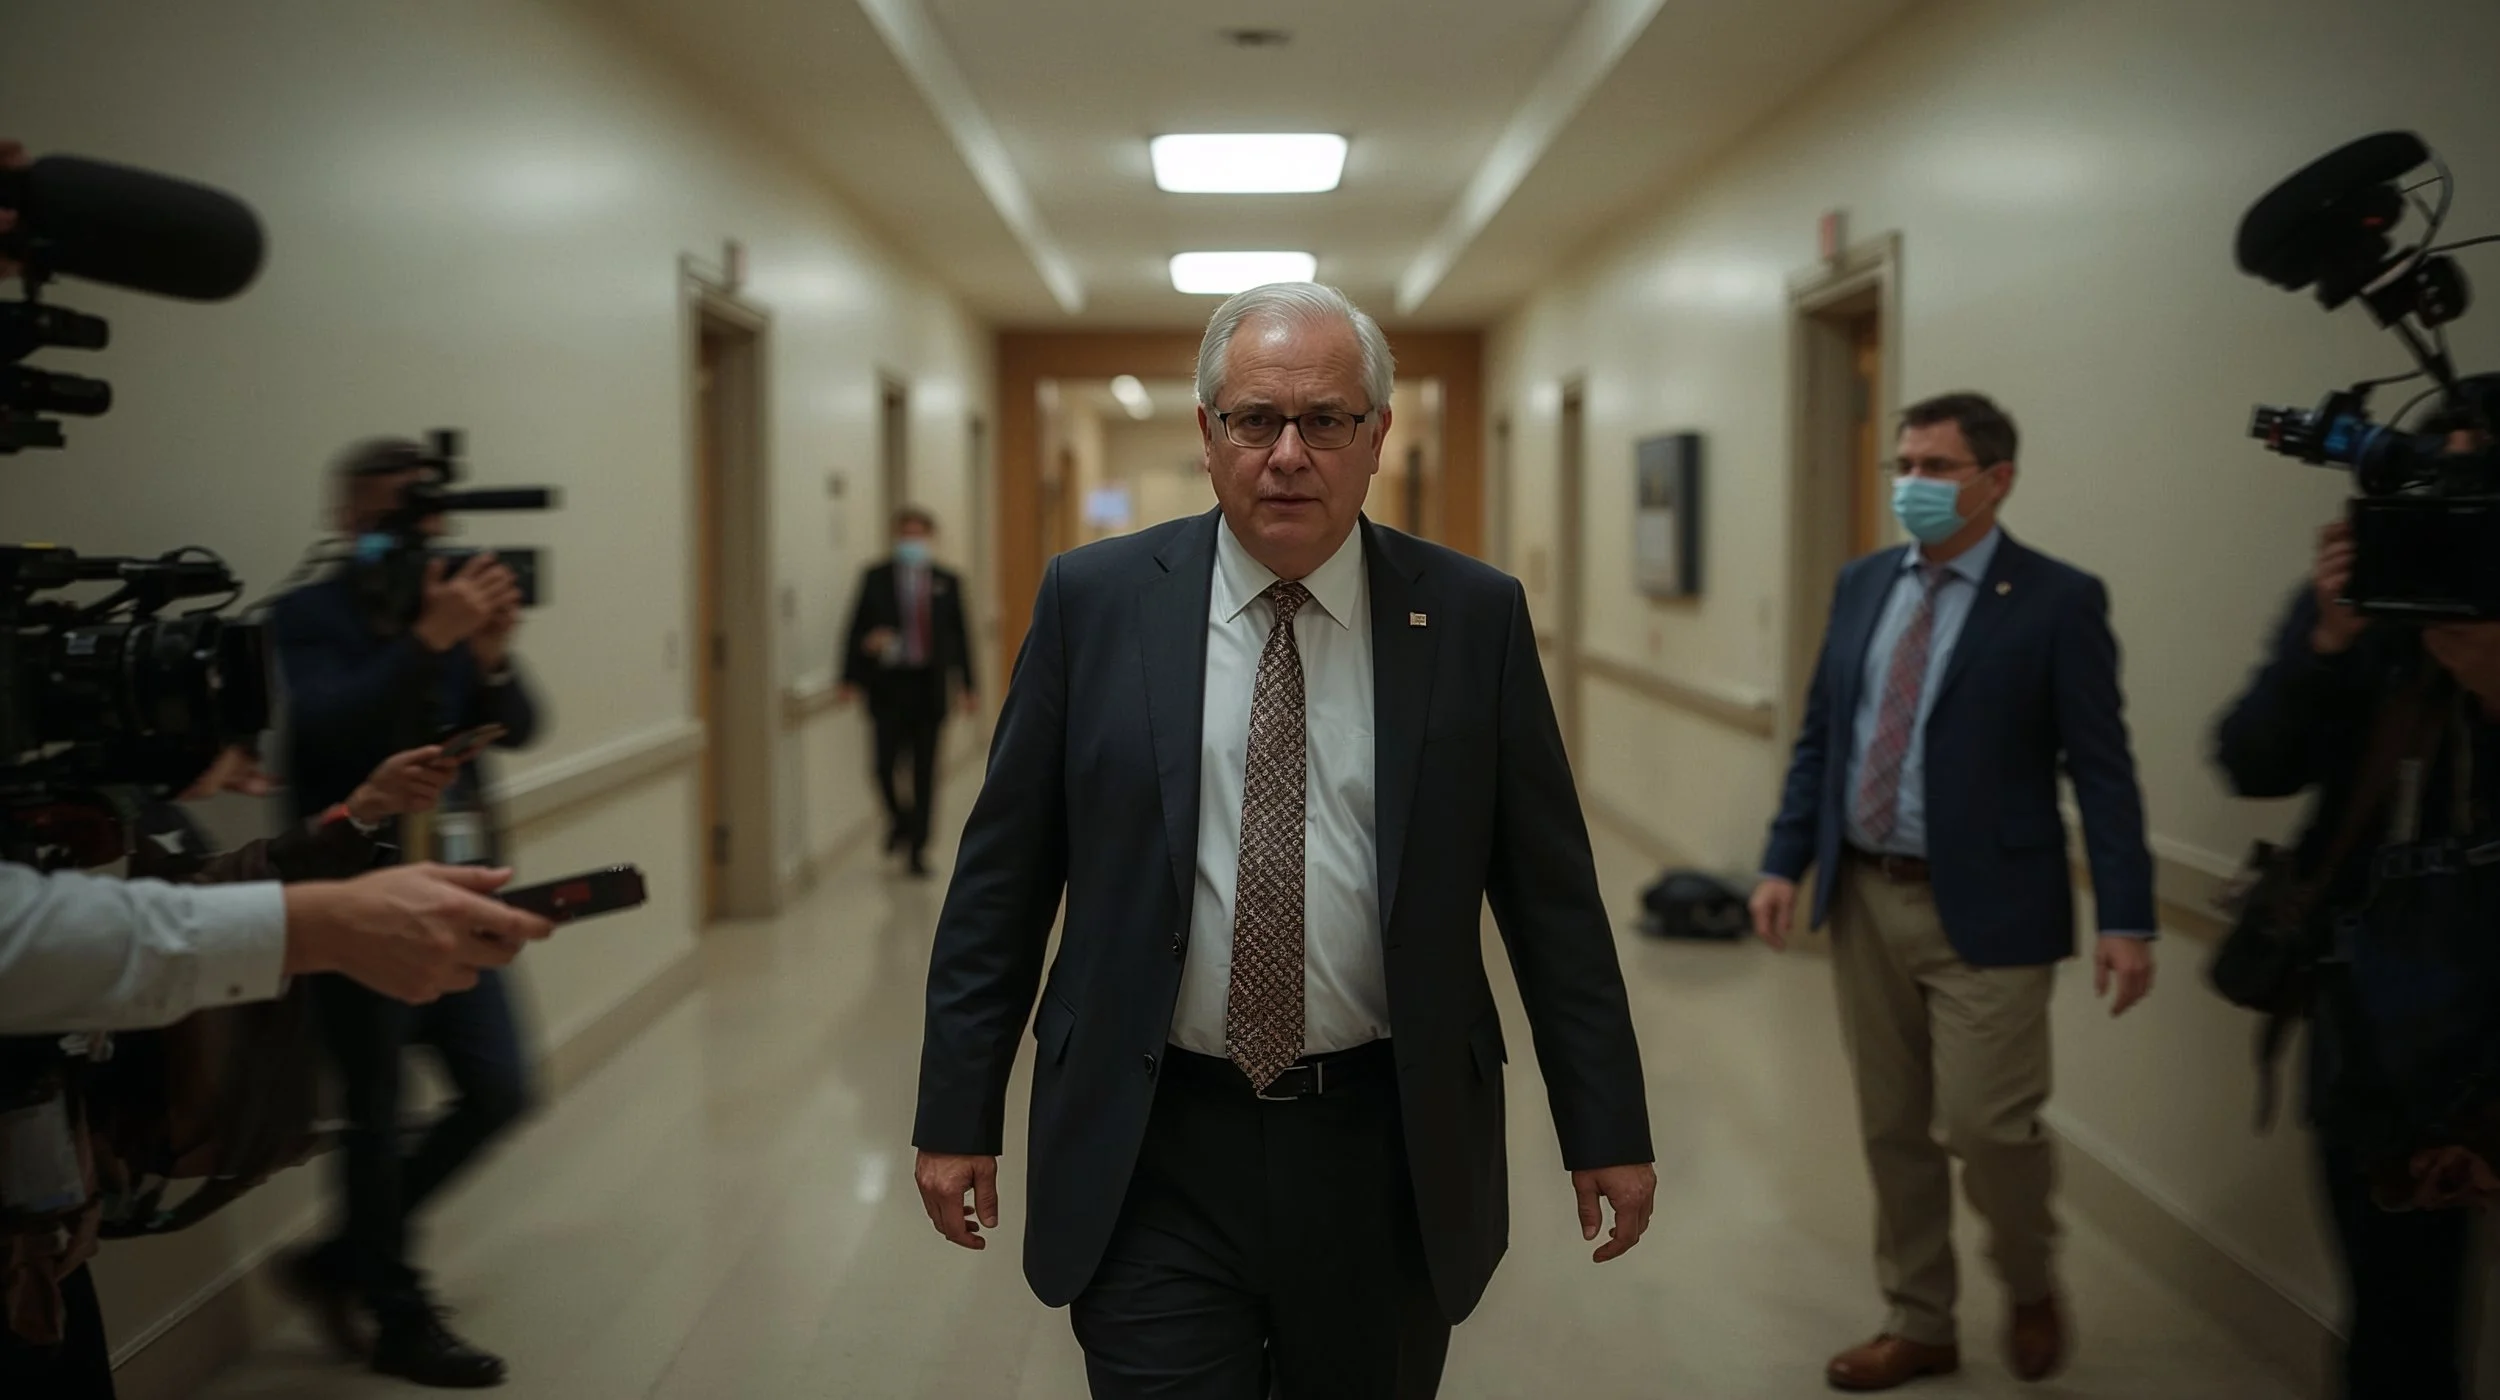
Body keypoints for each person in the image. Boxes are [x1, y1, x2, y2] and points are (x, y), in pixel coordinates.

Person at [913, 282, 1655, 1399]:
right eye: (1256, 419)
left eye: (1327, 421)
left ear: (1377, 439)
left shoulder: (1468, 616)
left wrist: (1604, 1122)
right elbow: (1002, 878)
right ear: (1207, 435)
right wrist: (955, 1108)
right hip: (1149, 1137)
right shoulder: (1095, 601)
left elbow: (1551, 896)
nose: (1289, 453)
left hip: (1383, 1144)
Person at [1749, 392, 2157, 1391]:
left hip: (1992, 906)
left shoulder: (2056, 599)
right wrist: (1781, 858)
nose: (1912, 486)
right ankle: (1919, 1317)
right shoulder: (1861, 584)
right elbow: (1821, 737)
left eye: (1936, 467)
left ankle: (2026, 1277)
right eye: (1904, 464)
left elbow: (2102, 769)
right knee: (1892, 1125)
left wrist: (2129, 915)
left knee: (1987, 1125)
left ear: (1995, 479)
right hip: (1865, 897)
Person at [0, 740, 517, 1400]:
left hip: (42, 1223)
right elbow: (38, 938)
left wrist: (357, 817)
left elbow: (187, 895)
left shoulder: (72, 829)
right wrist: (314, 928)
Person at [2213, 379, 2500, 1400]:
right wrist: (2325, 642)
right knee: (2397, 1319)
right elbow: (2247, 757)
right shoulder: (2364, 606)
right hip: (2378, 1026)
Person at [268, 437, 541, 1388]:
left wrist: (492, 655)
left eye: (427, 513)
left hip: (459, 883)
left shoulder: (454, 600)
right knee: (376, 1107)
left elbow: (522, 721)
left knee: (501, 1088)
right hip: (351, 894)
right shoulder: (304, 615)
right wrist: (430, 638)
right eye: (393, 512)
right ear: (349, 518)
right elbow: (326, 728)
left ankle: (339, 1257)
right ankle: (392, 1308)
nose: (418, 530)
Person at [839, 507, 977, 877]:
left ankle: (918, 848)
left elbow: (961, 636)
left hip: (929, 689)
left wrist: (968, 685)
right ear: (896, 537)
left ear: (930, 538)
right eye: (906, 535)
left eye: (919, 535)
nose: (912, 542)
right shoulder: (875, 578)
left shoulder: (946, 581)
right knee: (883, 767)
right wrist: (850, 675)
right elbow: (854, 629)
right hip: (888, 687)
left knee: (924, 773)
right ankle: (900, 821)